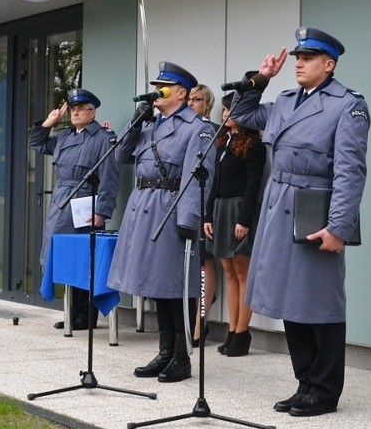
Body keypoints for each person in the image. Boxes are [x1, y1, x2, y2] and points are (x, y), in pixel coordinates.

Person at [230, 27, 369, 417]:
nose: (299, 64)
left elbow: (350, 171)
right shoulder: (285, 100)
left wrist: (339, 226)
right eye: (296, 58)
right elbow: (240, 113)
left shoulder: (348, 106)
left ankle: (324, 392)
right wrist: (260, 79)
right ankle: (305, 383)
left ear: (329, 64)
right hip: (278, 207)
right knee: (292, 301)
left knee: (319, 302)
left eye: (307, 59)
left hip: (315, 210)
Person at [107, 62, 215, 383]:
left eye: (163, 86)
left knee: (175, 286)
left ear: (181, 92)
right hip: (143, 208)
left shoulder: (197, 127)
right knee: (156, 286)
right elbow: (121, 157)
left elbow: (196, 177)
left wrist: (189, 219)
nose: (157, 90)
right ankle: (165, 351)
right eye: (156, 85)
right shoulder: (150, 124)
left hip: (171, 209)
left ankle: (181, 357)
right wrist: (136, 122)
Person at [29, 88, 119, 331]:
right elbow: (36, 143)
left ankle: (86, 315)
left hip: (86, 204)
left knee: (86, 260)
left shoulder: (103, 137)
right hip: (61, 202)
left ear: (93, 112)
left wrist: (103, 211)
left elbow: (110, 178)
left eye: (81, 109)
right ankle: (71, 313)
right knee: (66, 259)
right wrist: (49, 122)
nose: (76, 112)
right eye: (73, 109)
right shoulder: (65, 136)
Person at [203, 92, 266, 357]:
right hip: (220, 208)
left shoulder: (254, 144)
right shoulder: (222, 142)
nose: (224, 114)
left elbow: (254, 185)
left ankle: (242, 333)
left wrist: (245, 219)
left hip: (240, 208)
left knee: (242, 271)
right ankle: (231, 330)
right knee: (227, 269)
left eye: (229, 110)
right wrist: (207, 215)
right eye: (223, 110)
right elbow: (214, 182)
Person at [187, 84, 217, 347]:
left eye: (197, 100)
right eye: (188, 99)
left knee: (205, 264)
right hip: (186, 207)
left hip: (207, 206)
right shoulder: (185, 129)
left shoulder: (211, 131)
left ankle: (200, 324)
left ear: (207, 104)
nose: (191, 103)